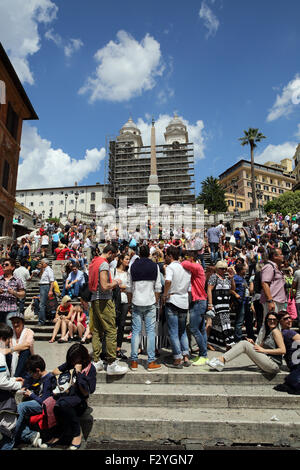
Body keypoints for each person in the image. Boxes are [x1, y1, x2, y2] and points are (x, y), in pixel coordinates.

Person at [89, 245, 128, 375]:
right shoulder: (104, 264)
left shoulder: (94, 262)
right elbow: (105, 286)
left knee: (97, 331)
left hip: (94, 299)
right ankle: (112, 363)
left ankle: (97, 360)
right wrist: (116, 282)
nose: (115, 259)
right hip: (104, 301)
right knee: (111, 330)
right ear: (110, 253)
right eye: (114, 255)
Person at [50, 343, 96, 449]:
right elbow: (54, 371)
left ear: (82, 357)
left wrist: (78, 374)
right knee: (55, 404)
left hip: (80, 402)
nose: (72, 362)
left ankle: (77, 433)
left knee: (62, 404)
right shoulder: (70, 363)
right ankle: (61, 433)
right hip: (66, 397)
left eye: (74, 359)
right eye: (71, 360)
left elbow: (86, 392)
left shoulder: (90, 369)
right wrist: (67, 375)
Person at [208, 312, 285, 375]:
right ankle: (221, 361)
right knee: (245, 344)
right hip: (267, 362)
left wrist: (264, 350)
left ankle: (221, 360)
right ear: (266, 321)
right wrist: (253, 344)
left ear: (277, 321)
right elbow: (260, 348)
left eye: (274, 320)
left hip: (273, 365)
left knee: (244, 344)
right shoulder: (269, 332)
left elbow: (282, 350)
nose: (272, 321)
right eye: (270, 319)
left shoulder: (276, 332)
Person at [127, 245, 162, 371]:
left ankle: (134, 361)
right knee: (150, 332)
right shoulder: (155, 266)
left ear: (139, 253)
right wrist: (156, 300)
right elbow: (158, 287)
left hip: (136, 301)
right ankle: (151, 361)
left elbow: (129, 287)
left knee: (136, 332)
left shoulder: (132, 266)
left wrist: (130, 302)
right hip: (150, 301)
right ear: (148, 254)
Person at [14, 355, 55, 449]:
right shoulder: (41, 377)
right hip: (38, 401)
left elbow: (44, 401)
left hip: (43, 406)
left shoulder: (48, 379)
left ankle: (13, 434)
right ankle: (29, 435)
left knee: (22, 407)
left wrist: (31, 395)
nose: (31, 376)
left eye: (32, 373)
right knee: (20, 407)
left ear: (37, 370)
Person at [163, 245, 191, 369]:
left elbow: (168, 281)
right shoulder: (185, 268)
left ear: (170, 256)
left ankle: (177, 358)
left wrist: (165, 294)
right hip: (184, 300)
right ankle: (185, 355)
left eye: (166, 255)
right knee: (182, 330)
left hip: (173, 299)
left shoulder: (170, 267)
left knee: (173, 331)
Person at [181, 249, 208, 366]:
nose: (184, 259)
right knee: (201, 329)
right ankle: (203, 354)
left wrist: (181, 261)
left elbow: (184, 264)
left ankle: (203, 354)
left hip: (199, 302)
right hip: (198, 301)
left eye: (186, 257)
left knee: (193, 328)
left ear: (191, 259)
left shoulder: (197, 267)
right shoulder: (197, 268)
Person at [0, 323, 23, 450]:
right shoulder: (0, 357)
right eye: (9, 339)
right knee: (8, 438)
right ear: (4, 338)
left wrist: (13, 379)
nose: (10, 342)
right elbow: (1, 382)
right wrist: (18, 384)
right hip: (3, 402)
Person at [258, 247, 287, 343]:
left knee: (276, 325)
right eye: (281, 254)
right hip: (272, 300)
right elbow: (265, 283)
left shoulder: (276, 267)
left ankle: (275, 347)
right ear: (274, 256)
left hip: (279, 301)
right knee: (268, 324)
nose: (283, 256)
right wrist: (270, 301)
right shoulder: (269, 267)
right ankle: (258, 346)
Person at [206, 260, 236, 349]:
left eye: (225, 269)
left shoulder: (227, 279)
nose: (224, 270)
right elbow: (209, 290)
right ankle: (229, 344)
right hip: (217, 305)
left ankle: (211, 342)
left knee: (217, 325)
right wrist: (210, 304)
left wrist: (232, 278)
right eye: (221, 269)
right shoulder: (214, 277)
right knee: (225, 324)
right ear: (217, 269)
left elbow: (233, 288)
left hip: (226, 305)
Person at [112, 254, 130, 361]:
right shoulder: (113, 271)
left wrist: (119, 286)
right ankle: (111, 347)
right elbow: (111, 284)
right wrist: (120, 286)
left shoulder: (128, 273)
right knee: (113, 324)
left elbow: (128, 287)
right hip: (114, 301)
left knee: (122, 325)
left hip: (124, 301)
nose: (128, 261)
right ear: (121, 260)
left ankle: (118, 348)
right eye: (126, 259)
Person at [0, 259, 25, 326]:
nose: (4, 266)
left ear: (13, 267)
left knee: (10, 331)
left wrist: (14, 292)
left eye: (6, 264)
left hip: (11, 309)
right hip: (0, 309)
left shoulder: (17, 280)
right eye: (3, 265)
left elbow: (22, 294)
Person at [38, 259, 55, 326]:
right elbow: (40, 276)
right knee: (43, 304)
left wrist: (50, 290)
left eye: (42, 264)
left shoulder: (49, 270)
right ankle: (44, 319)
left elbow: (52, 281)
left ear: (46, 263)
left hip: (46, 286)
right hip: (42, 286)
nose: (41, 265)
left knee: (42, 304)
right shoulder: (44, 270)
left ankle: (41, 320)